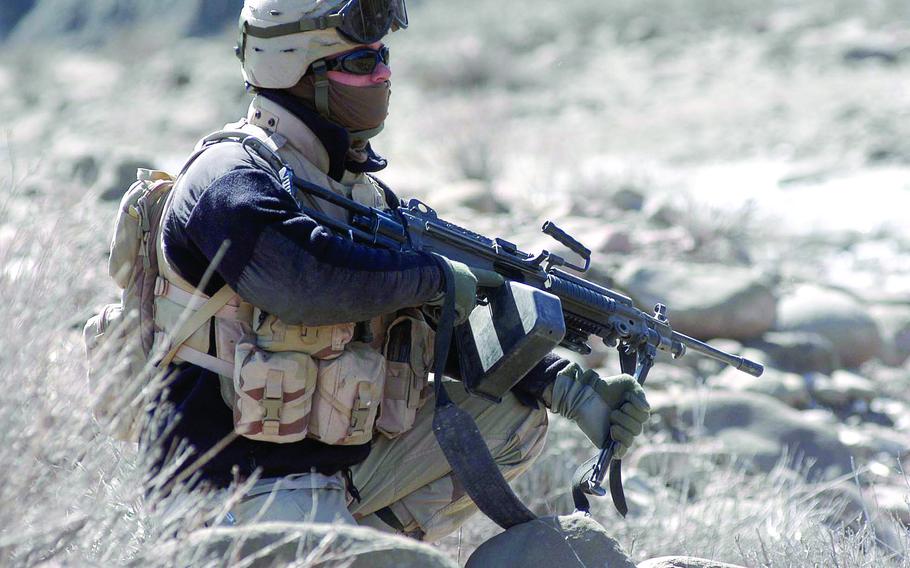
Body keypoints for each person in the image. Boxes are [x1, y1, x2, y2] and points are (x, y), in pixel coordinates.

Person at [150, 0, 651, 542]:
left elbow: (431, 327)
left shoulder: (352, 193)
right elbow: (306, 281)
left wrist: (566, 386)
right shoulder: (228, 178)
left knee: (514, 417)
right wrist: (436, 275)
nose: (384, 75)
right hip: (220, 492)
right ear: (293, 69)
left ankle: (369, 543)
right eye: (361, 64)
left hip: (327, 476)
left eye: (382, 58)